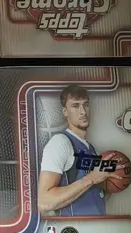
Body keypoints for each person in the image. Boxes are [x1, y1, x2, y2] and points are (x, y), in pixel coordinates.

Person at [37, 85, 116, 216]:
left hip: (97, 225)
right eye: (75, 106)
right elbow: (44, 202)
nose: (83, 111)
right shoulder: (60, 143)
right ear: (65, 112)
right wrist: (92, 178)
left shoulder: (91, 148)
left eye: (86, 105)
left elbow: (91, 197)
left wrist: (112, 183)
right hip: (74, 227)